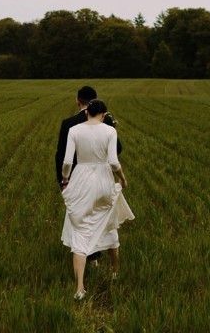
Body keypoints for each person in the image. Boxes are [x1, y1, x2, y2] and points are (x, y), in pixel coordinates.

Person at [61, 99, 134, 301]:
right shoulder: (109, 131)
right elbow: (113, 161)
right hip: (103, 181)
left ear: (87, 113)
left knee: (80, 232)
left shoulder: (74, 130)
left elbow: (67, 162)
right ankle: (114, 272)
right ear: (103, 114)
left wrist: (65, 179)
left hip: (81, 180)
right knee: (109, 226)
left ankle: (79, 288)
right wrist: (122, 178)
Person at [56, 86, 123, 266]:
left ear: (77, 101)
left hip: (77, 179)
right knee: (102, 217)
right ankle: (105, 260)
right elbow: (117, 152)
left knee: (81, 220)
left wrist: (63, 181)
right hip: (102, 178)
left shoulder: (68, 123)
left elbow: (61, 155)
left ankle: (89, 258)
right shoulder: (106, 122)